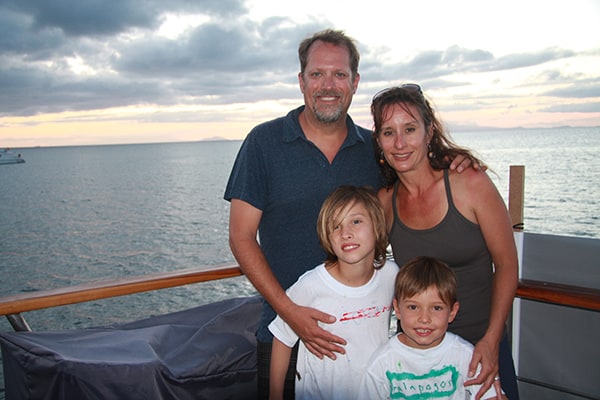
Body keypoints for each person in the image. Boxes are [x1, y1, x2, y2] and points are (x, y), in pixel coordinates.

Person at [224, 29, 475, 399]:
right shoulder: (263, 143)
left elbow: (414, 169)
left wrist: (451, 160)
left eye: (339, 74)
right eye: (317, 74)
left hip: (363, 343)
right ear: (301, 81)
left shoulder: (373, 150)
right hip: (282, 331)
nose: (328, 85)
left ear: (355, 82)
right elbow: (241, 237)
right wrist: (290, 311)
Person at [371, 84, 519, 399]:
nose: (399, 143)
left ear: (430, 132)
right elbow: (356, 261)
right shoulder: (385, 203)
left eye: (410, 129)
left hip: (480, 349)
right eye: (388, 132)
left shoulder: (470, 184)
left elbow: (507, 264)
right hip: (416, 361)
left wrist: (492, 340)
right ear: (378, 141)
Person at [269, 185, 399, 400]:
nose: (346, 233)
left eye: (356, 221)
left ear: (377, 225)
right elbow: (282, 337)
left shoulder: (391, 275)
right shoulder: (311, 286)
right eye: (335, 227)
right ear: (327, 237)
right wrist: (275, 395)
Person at [359, 256, 507, 400]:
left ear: (452, 312)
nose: (424, 318)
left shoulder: (465, 356)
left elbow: (492, 396)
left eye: (436, 308)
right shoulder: (383, 363)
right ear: (397, 309)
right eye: (413, 307)